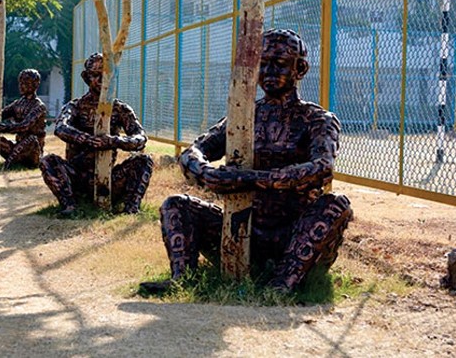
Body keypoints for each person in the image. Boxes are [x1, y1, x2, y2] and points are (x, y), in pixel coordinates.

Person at [144, 29, 353, 293]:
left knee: (336, 204)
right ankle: (183, 279)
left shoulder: (317, 119)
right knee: (175, 204)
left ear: (300, 69)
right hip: (243, 229)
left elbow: (321, 169)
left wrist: (247, 179)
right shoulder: (243, 116)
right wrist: (207, 173)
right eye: (262, 63)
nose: (268, 71)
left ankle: (283, 284)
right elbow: (192, 152)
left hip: (295, 234)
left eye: (279, 64)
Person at [40, 53, 153, 215]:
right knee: (48, 161)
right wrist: (88, 140)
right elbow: (61, 128)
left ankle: (131, 208)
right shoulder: (75, 107)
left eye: (105, 75)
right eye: (95, 75)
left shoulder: (120, 109)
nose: (100, 80)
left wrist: (114, 141)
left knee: (144, 161)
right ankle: (69, 205)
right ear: (86, 78)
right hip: (76, 176)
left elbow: (140, 138)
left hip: (107, 179)